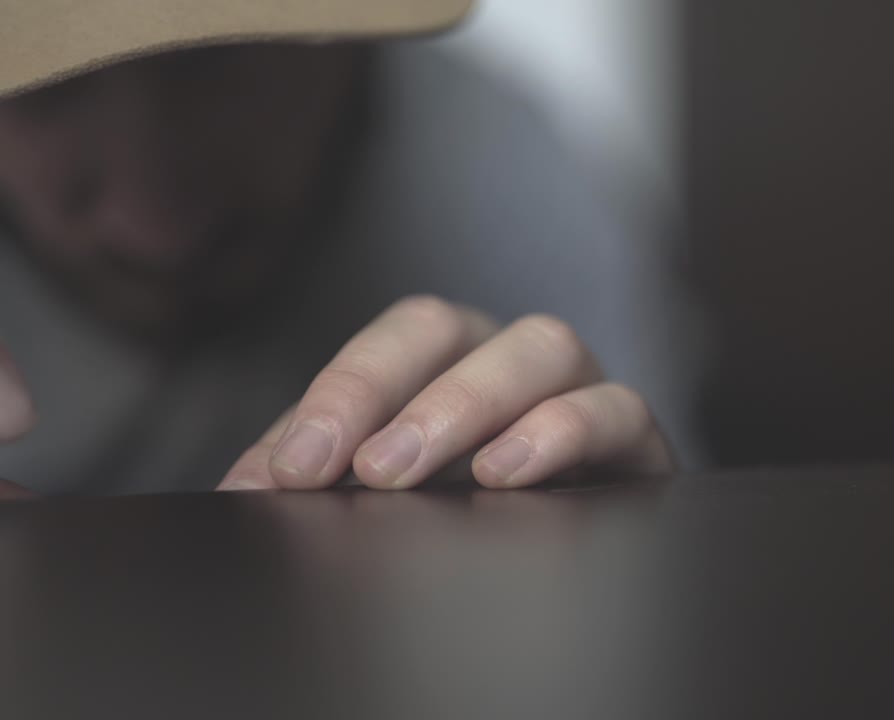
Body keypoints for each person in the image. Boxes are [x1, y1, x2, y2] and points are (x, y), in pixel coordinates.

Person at [0, 1, 683, 498]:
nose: (153, 225)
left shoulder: (501, 172)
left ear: (358, 50)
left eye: (221, 63)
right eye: (46, 90)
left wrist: (623, 546)